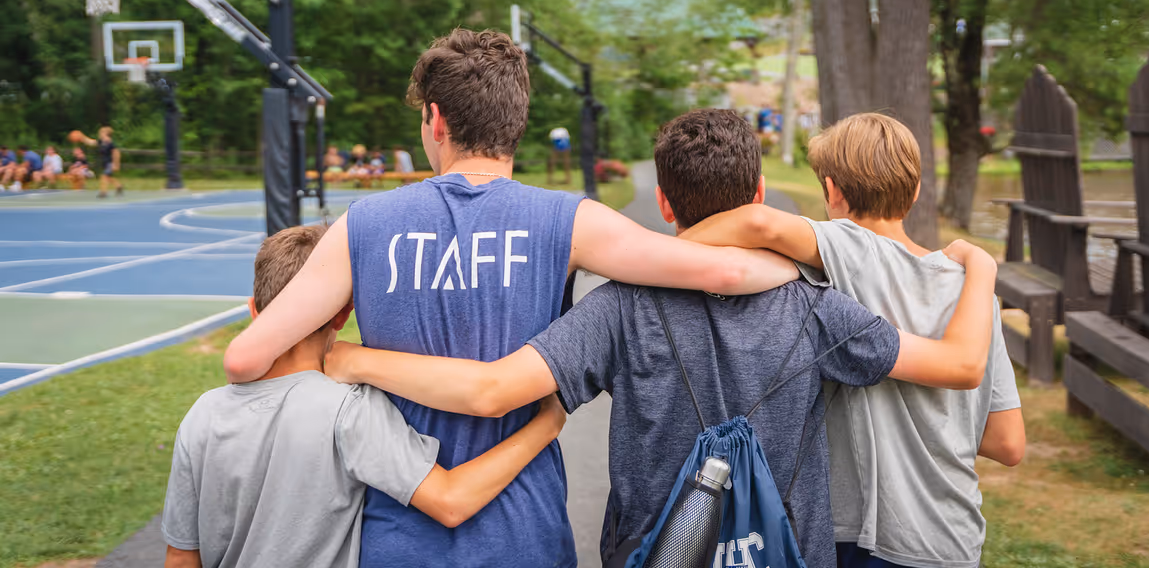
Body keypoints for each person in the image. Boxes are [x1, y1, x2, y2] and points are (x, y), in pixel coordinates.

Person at [223, 29, 799, 568]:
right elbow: (724, 272)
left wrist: (343, 359)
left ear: (436, 119)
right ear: (516, 121)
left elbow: (246, 360)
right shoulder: (567, 220)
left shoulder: (363, 224)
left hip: (397, 536)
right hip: (527, 531)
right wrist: (810, 253)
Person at [324, 109, 999, 568]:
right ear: (761, 193)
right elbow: (954, 366)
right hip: (785, 549)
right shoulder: (817, 306)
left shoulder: (620, 306)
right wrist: (979, 271)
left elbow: (495, 389)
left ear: (667, 206)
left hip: (654, 549)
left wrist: (350, 357)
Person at [683, 112, 1024, 568]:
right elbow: (1007, 442)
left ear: (832, 192)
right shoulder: (974, 293)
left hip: (861, 535)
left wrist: (664, 245)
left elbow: (759, 225)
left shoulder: (849, 247)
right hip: (952, 537)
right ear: (916, 190)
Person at [162, 224, 568, 568]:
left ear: (254, 310)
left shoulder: (204, 413)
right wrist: (545, 426)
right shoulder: (347, 410)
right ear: (342, 313)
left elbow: (181, 558)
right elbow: (450, 501)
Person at [78, 127, 123, 198]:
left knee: (104, 176)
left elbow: (116, 154)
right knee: (108, 177)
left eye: (101, 132)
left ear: (106, 134)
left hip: (110, 163)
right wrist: (82, 137)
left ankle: (103, 192)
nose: (99, 134)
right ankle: (119, 186)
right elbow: (91, 142)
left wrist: (116, 164)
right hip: (104, 163)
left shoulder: (111, 143)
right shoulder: (101, 142)